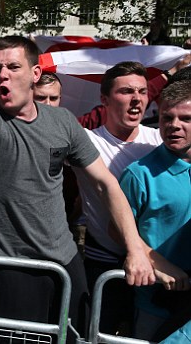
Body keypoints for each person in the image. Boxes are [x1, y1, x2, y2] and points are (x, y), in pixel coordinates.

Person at [0, 36, 154, 339]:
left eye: (14, 67)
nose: (3, 74)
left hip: (68, 263)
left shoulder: (62, 121)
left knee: (78, 337)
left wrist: (135, 246)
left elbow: (105, 182)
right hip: (13, 270)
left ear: (35, 74)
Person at [71, 62, 162, 334]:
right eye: (126, 91)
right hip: (103, 264)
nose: (136, 99)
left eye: (142, 92)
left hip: (157, 265)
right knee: (97, 334)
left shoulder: (159, 141)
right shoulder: (85, 141)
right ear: (104, 99)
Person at [119, 79, 191, 341]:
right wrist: (156, 260)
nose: (174, 125)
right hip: (157, 305)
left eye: (186, 118)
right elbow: (117, 230)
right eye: (167, 117)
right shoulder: (139, 174)